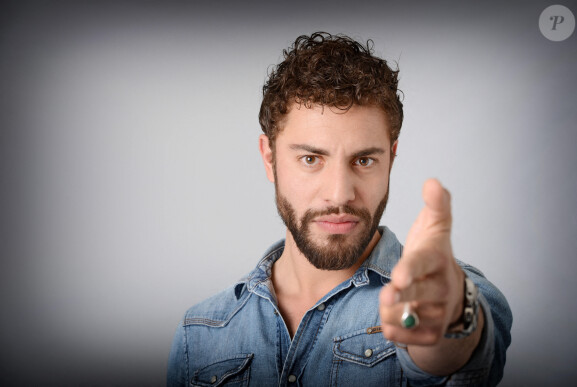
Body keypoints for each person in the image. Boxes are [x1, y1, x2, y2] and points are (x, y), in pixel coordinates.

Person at [167, 32, 512, 386]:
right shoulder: (199, 333)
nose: (339, 194)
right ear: (269, 159)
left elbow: (457, 353)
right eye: (311, 158)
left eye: (363, 160)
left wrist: (450, 322)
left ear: (390, 159)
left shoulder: (460, 293)